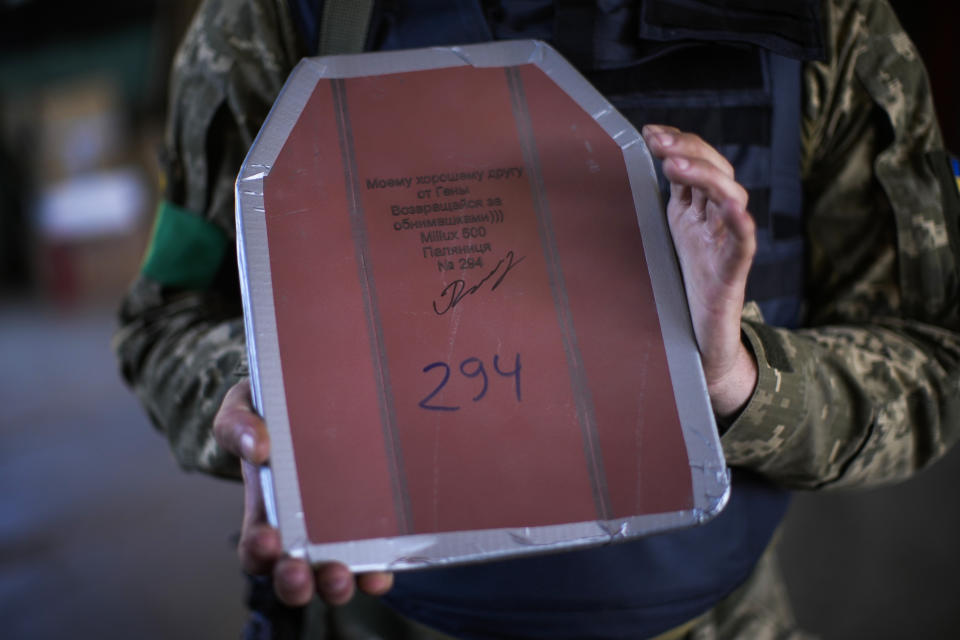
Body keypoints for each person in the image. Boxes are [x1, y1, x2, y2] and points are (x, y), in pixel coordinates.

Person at [115, 0, 960, 638]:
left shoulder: (826, 23)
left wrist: (735, 379)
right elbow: (169, 313)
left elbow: (932, 360)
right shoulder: (279, 15)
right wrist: (263, 396)